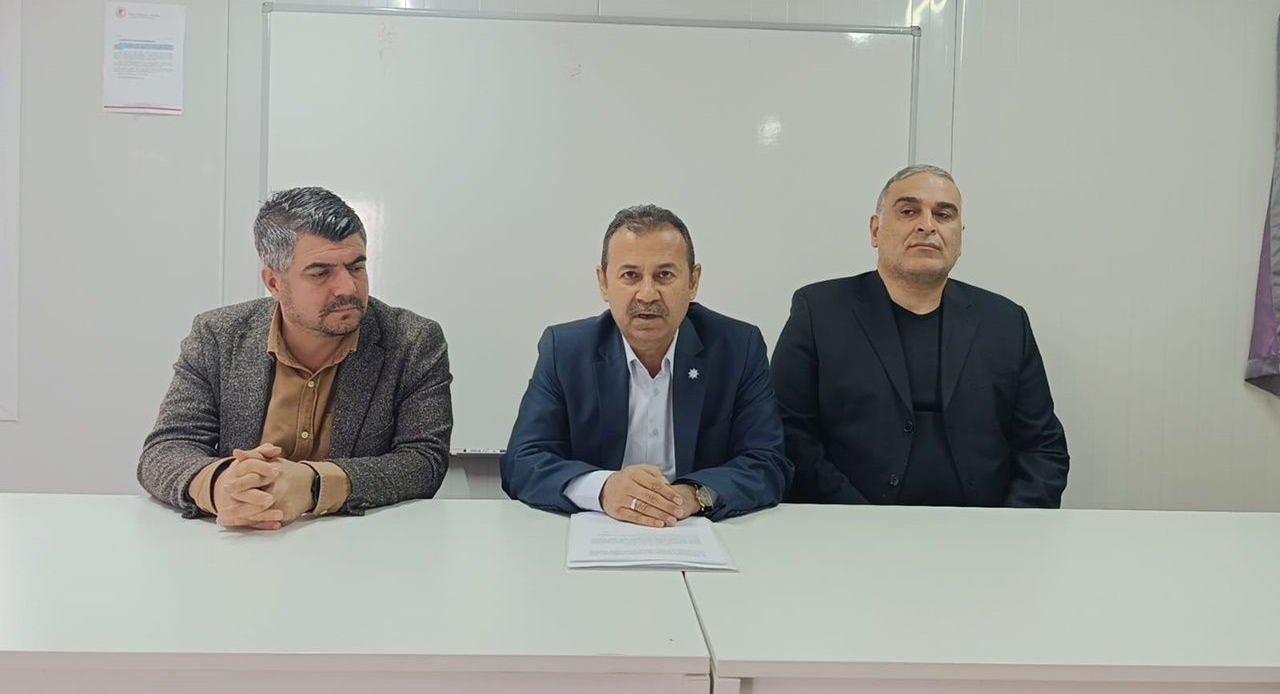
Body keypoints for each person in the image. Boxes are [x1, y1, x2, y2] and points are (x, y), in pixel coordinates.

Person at [138, 186, 453, 528]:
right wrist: (220, 485)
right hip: (241, 544)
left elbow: (424, 463)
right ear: (273, 282)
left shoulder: (412, 341)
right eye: (320, 273)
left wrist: (314, 485)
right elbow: (166, 449)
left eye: (356, 267)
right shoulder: (218, 336)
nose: (347, 288)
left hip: (359, 543)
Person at [771, 165, 1068, 507]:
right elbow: (789, 433)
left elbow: (1042, 448)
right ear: (875, 230)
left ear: (960, 236)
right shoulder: (819, 312)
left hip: (985, 529)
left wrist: (1008, 525)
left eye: (944, 214)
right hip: (849, 526)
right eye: (909, 211)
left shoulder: (1006, 322)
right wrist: (857, 521)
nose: (927, 225)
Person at [502, 204, 792, 524]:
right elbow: (522, 462)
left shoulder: (737, 347)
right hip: (600, 528)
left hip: (693, 526)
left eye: (664, 275)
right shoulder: (566, 350)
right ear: (603, 283)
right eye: (631, 275)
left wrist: (692, 496)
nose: (648, 294)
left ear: (693, 282)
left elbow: (767, 464)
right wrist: (603, 489)